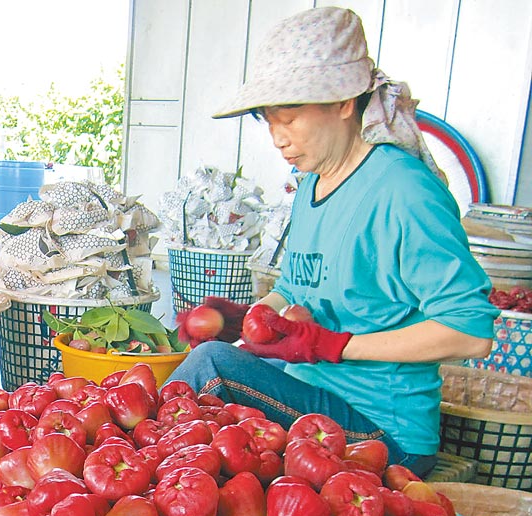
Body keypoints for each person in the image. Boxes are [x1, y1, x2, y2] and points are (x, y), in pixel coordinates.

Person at [168, 6, 497, 476]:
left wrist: (335, 345)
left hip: (383, 433)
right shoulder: (312, 184)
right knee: (211, 367)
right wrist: (244, 319)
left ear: (345, 102)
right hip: (312, 398)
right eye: (269, 121)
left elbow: (471, 331)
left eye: (290, 118)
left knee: (212, 368)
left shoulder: (402, 191)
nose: (279, 139)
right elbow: (298, 294)